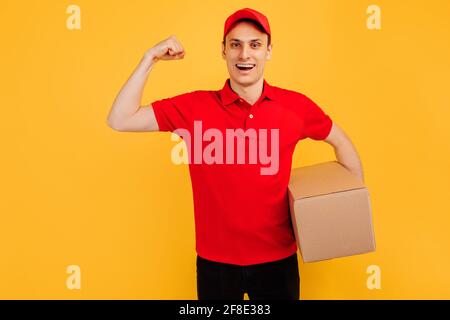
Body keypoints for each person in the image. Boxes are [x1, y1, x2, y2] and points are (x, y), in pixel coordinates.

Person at [106, 8, 364, 300]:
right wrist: (148, 60)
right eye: (235, 44)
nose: (244, 55)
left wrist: (352, 203)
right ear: (223, 51)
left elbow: (340, 141)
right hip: (215, 266)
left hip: (277, 262)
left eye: (255, 45)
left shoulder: (296, 107)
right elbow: (120, 119)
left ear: (268, 51)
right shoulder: (193, 109)